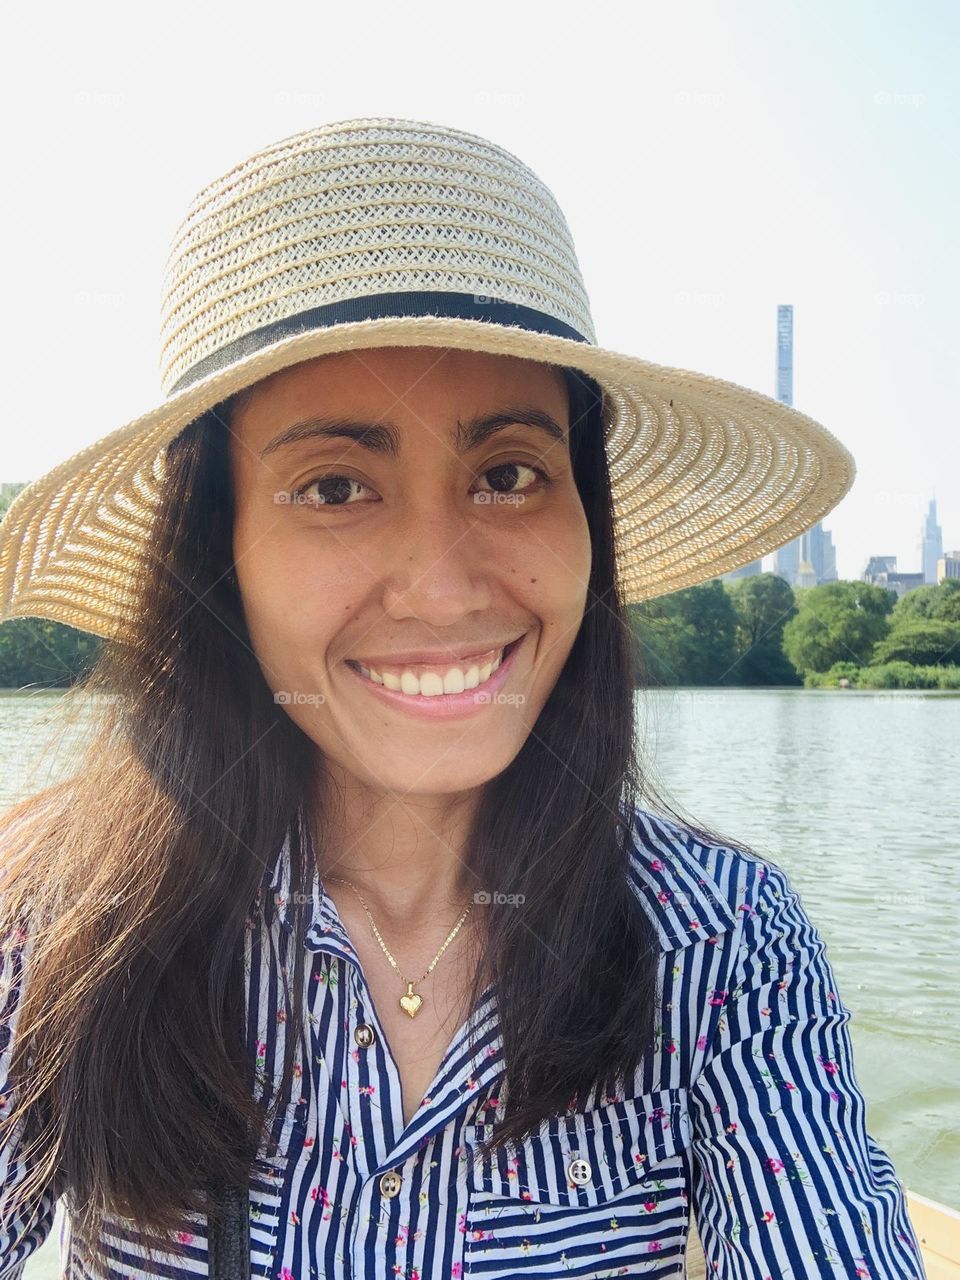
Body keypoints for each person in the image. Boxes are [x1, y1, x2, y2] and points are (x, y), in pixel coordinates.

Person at [0, 117, 925, 1278]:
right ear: (214, 554)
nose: (441, 591)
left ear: (586, 521)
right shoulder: (63, 919)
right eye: (334, 485)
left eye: (509, 475)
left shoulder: (724, 944)